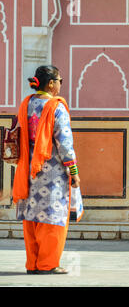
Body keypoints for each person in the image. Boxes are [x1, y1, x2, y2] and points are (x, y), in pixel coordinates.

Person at [12, 65, 80, 274]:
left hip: (28, 172)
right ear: (50, 83)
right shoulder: (56, 107)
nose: (60, 84)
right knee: (52, 218)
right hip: (52, 174)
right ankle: (47, 264)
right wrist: (74, 171)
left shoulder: (26, 104)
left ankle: (32, 264)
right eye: (60, 80)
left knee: (32, 218)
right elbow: (65, 144)